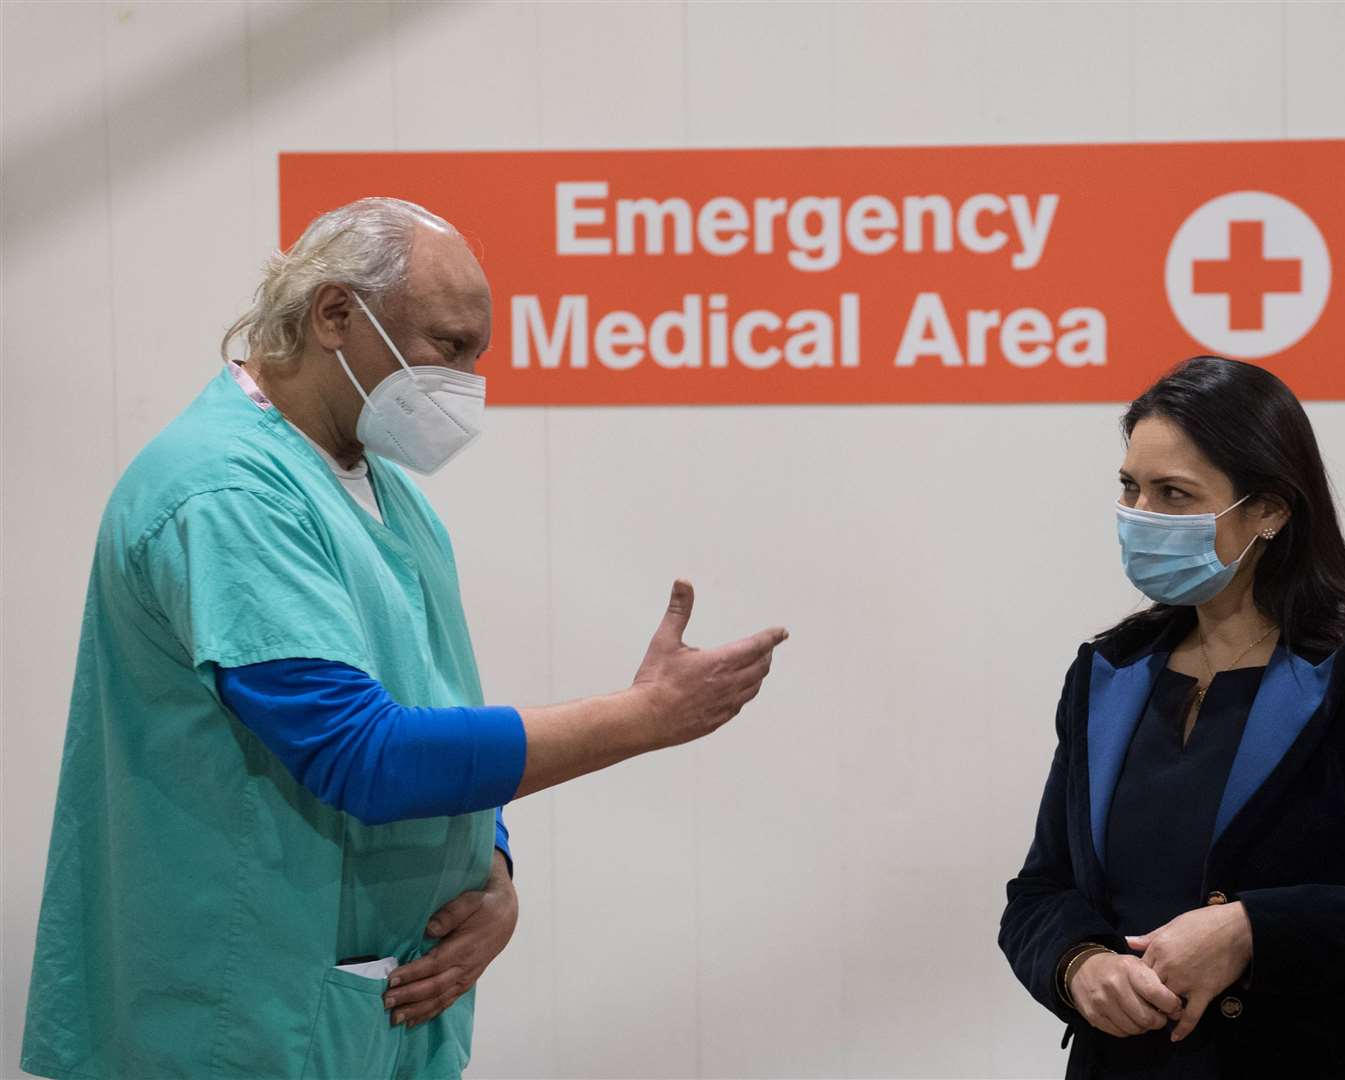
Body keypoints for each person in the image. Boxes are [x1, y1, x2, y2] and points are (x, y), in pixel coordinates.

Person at [20, 197, 788, 1079]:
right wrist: (642, 718)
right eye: (448, 347)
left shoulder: (384, 494)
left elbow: (434, 705)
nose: (466, 382)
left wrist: (491, 867)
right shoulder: (226, 496)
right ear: (337, 314)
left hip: (364, 1010)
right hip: (239, 1020)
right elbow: (363, 753)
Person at [998, 356, 1345, 1079]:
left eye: (1174, 494)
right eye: (1129, 487)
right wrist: (1077, 962)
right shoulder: (1107, 671)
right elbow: (1041, 891)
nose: (1140, 517)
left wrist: (1257, 933)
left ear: (1270, 508)